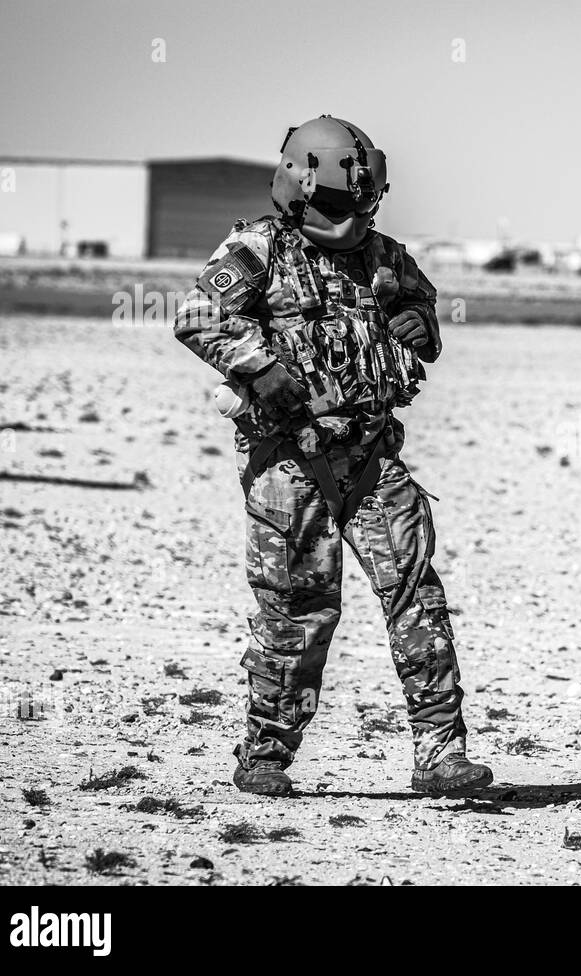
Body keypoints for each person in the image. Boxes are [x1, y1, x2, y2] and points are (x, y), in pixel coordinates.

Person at [172, 115, 492, 797]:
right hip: (292, 463)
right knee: (297, 613)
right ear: (300, 185)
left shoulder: (385, 256)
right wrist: (258, 367)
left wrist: (419, 324)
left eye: (364, 202)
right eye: (343, 203)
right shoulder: (257, 248)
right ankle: (265, 754)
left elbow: (424, 318)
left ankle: (441, 756)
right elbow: (197, 318)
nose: (355, 215)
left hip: (373, 456)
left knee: (417, 599)